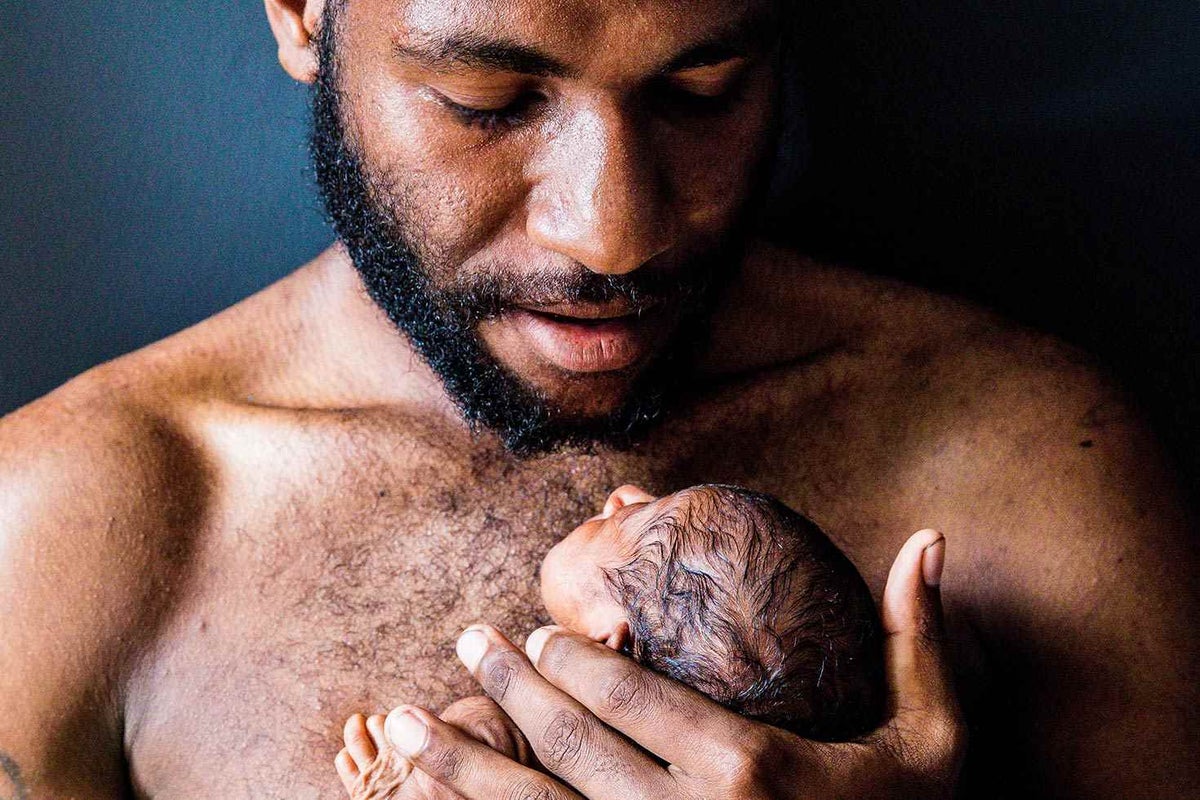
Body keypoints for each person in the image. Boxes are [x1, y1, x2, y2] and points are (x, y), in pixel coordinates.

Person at [0, 0, 1195, 797]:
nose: (612, 232)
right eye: (488, 98)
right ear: (306, 10)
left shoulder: (1023, 460)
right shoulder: (65, 531)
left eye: (704, 89)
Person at [335, 483, 886, 798]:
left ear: (610, 647)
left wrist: (408, 778)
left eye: (636, 517)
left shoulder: (530, 714)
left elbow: (466, 744)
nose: (622, 497)